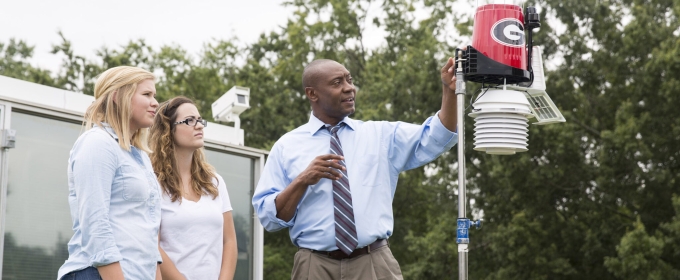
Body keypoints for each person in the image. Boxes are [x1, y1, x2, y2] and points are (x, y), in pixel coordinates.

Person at [252, 58, 460, 279]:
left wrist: (449, 90)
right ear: (312, 94)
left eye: (349, 80)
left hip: (374, 263)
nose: (349, 87)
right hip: (314, 266)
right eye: (337, 82)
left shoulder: (379, 135)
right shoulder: (286, 146)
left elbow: (438, 136)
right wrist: (302, 180)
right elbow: (270, 219)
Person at [57, 66, 162, 279]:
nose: (155, 103)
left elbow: (149, 229)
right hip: (96, 273)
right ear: (117, 96)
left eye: (154, 95)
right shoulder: (97, 143)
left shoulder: (140, 156)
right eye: (146, 94)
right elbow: (95, 224)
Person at [149, 96, 238, 280]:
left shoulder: (215, 182)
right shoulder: (152, 183)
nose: (199, 126)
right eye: (189, 121)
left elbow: (229, 241)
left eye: (199, 120)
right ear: (168, 130)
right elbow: (151, 245)